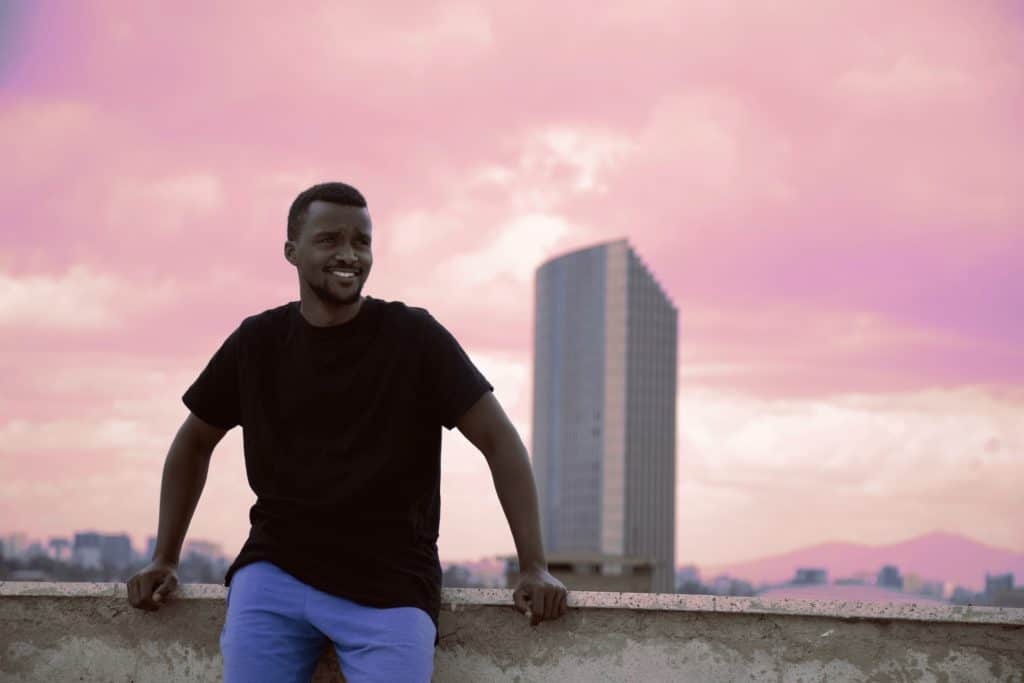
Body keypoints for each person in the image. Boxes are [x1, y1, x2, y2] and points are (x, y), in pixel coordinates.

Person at [126, 181, 568, 681]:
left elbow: (499, 440)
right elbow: (192, 442)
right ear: (291, 251)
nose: (349, 254)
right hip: (275, 573)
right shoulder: (258, 341)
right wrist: (165, 557)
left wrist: (533, 565)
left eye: (362, 241)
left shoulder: (414, 337)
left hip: (391, 584)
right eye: (329, 239)